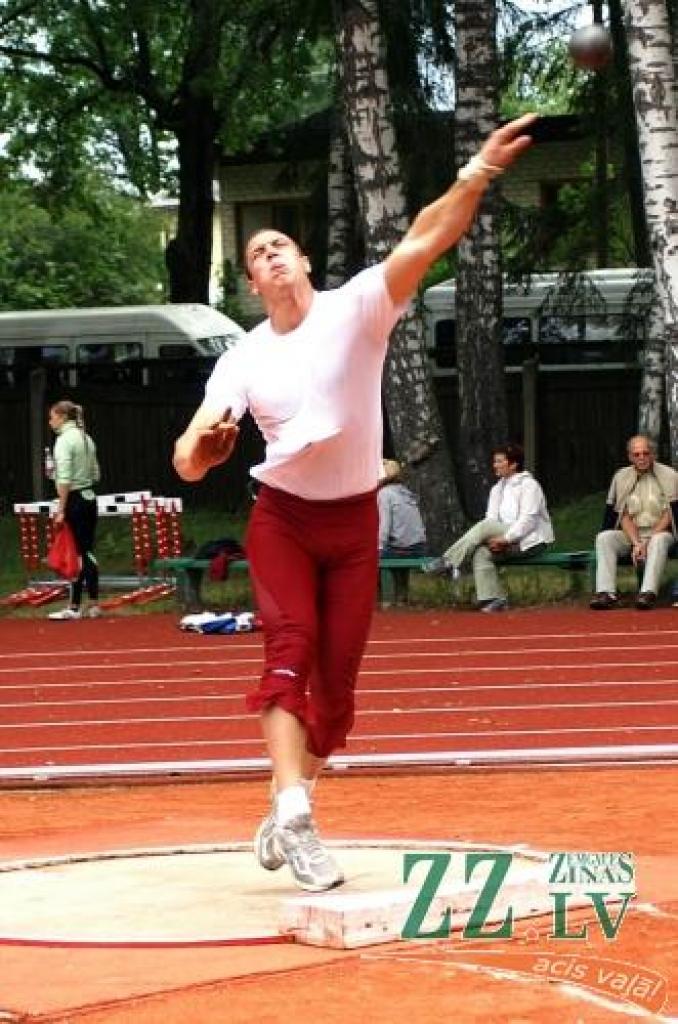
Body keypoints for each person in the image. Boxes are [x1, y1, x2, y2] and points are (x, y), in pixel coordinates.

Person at [172, 112, 538, 892]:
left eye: (278, 244)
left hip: (353, 523)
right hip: (283, 520)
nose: (268, 255)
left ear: (303, 259)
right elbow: (190, 456)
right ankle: (297, 815)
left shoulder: (360, 307)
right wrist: (207, 446)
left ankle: (287, 798)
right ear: (251, 283)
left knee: (335, 702)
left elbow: (427, 239)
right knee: (290, 649)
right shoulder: (244, 356)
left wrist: (476, 172)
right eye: (254, 254)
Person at [422, 443, 554, 612]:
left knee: (485, 526)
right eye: (494, 461)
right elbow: (491, 519)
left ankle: (449, 561)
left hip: (531, 541)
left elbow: (528, 520)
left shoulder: (530, 486)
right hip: (505, 539)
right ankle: (495, 598)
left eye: (499, 461)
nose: (495, 465)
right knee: (481, 553)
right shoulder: (497, 489)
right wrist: (496, 540)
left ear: (513, 464)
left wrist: (506, 539)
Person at [590, 435, 678, 610]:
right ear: (630, 457)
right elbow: (622, 514)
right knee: (605, 538)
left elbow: (670, 514)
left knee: (658, 540)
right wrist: (637, 542)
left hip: (662, 532)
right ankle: (606, 593)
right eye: (636, 454)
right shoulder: (621, 477)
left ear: (653, 455)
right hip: (632, 533)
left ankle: (647, 593)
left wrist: (648, 541)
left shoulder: (671, 475)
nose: (642, 458)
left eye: (646, 453)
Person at [46, 400, 102, 620]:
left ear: (61, 417)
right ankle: (95, 603)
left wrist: (60, 508)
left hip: (74, 500)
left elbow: (65, 479)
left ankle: (75, 606)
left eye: (52, 417)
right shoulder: (86, 438)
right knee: (87, 551)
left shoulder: (63, 441)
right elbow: (96, 474)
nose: (50, 421)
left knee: (75, 553)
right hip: (90, 498)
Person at [378, 459, 427, 606]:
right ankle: (402, 596)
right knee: (397, 547)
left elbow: (385, 526)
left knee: (372, 556)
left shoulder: (384, 494)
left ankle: (383, 599)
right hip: (419, 547)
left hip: (402, 549)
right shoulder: (406, 491)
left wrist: (378, 547)